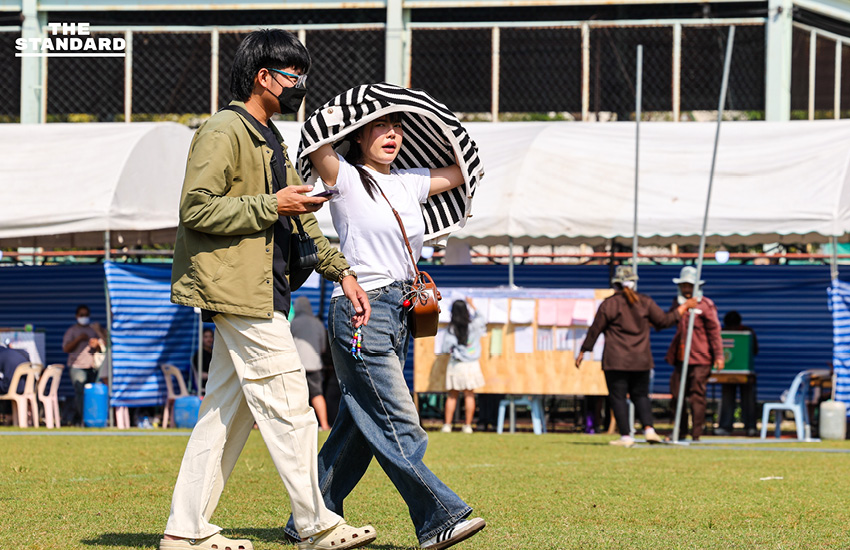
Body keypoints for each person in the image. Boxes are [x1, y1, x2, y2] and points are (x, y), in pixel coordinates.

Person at [161, 29, 376, 550]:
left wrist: (341, 271)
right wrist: (271, 205)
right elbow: (196, 209)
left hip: (263, 289)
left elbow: (295, 219)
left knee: (222, 420)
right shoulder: (223, 130)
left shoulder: (272, 137)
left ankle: (184, 532)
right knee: (290, 407)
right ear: (263, 77)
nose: (301, 85)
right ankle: (317, 524)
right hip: (241, 293)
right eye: (294, 75)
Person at [283, 112, 486, 550]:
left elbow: (462, 170)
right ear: (358, 135)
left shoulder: (409, 181)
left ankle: (308, 518)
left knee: (358, 428)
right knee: (400, 421)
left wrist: (448, 130)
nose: (391, 134)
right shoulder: (345, 174)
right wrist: (354, 108)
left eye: (398, 127)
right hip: (360, 310)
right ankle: (439, 517)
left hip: (401, 310)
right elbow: (315, 139)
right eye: (380, 126)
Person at [576, 266, 697, 447]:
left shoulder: (609, 304)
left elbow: (595, 329)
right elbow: (664, 321)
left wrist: (584, 350)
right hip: (641, 360)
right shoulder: (645, 302)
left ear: (615, 284)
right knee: (640, 396)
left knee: (617, 397)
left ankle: (626, 436)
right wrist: (684, 307)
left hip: (615, 360)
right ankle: (649, 430)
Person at [666, 266, 724, 442]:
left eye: (689, 286)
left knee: (697, 396)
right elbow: (669, 319)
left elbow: (714, 332)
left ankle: (696, 434)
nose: (686, 289)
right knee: (677, 395)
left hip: (701, 358)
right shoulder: (678, 304)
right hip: (680, 357)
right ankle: (680, 431)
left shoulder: (705, 305)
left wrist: (719, 356)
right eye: (683, 285)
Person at [441, 298, 487, 434]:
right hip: (472, 364)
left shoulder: (451, 328)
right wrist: (473, 304)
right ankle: (467, 426)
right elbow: (483, 318)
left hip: (457, 364)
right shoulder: (474, 325)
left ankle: (447, 425)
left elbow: (445, 348)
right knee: (469, 395)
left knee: (452, 395)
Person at [62, 304, 108, 426]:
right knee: (80, 392)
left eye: (86, 315)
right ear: (77, 316)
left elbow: (105, 346)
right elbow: (66, 348)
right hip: (77, 366)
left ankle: (94, 417)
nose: (84, 317)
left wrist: (97, 345)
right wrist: (79, 339)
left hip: (93, 367)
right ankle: (83, 419)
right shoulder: (72, 331)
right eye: (82, 315)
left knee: (93, 394)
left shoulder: (93, 330)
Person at [290, 296, 331, 430]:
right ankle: (324, 425)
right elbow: (323, 347)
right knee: (317, 394)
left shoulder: (293, 323)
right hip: (315, 365)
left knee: (294, 396)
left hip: (297, 365)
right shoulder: (318, 323)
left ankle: (296, 426)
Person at [716, 311, 759, 437]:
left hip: (746, 373)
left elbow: (755, 350)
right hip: (727, 372)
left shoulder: (747, 332)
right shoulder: (722, 333)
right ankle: (725, 427)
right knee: (727, 400)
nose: (732, 329)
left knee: (749, 401)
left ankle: (751, 427)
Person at [0, 344, 30, 424]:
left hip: (13, 387)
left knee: (5, 384)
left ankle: (8, 416)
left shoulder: (2, 354)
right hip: (26, 387)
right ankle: (10, 416)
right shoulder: (16, 352)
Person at [190, 327, 214, 394]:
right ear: (202, 339)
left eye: (210, 337)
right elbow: (200, 374)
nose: (209, 339)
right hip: (206, 384)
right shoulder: (199, 355)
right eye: (206, 337)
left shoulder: (215, 353)